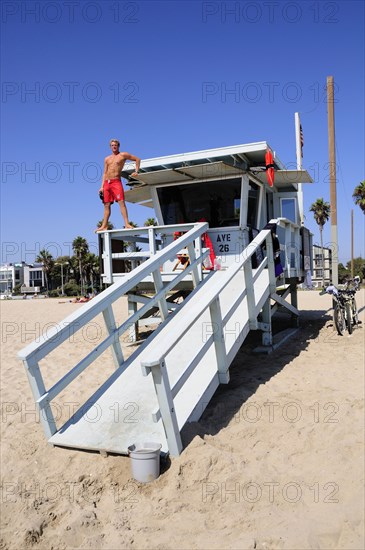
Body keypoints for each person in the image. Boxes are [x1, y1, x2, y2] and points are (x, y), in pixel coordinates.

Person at [95, 139, 141, 232]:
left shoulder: (123, 155)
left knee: (121, 202)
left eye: (115, 145)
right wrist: (101, 186)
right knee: (106, 205)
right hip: (107, 183)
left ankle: (127, 223)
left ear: (118, 146)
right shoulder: (107, 159)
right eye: (112, 145)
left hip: (116, 182)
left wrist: (136, 171)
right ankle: (104, 226)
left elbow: (137, 159)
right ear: (110, 147)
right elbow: (104, 173)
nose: (114, 147)